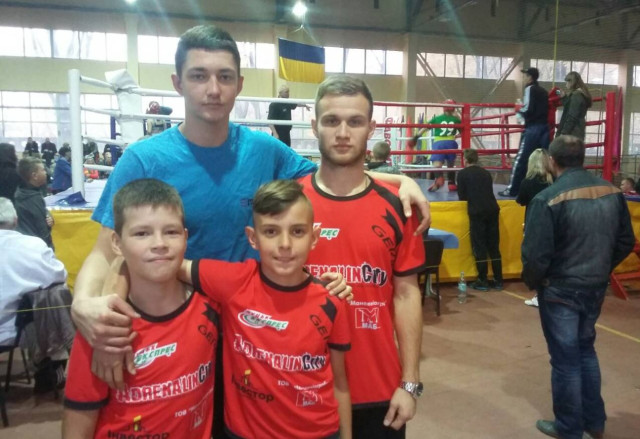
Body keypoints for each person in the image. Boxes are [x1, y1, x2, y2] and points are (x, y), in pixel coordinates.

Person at [69, 24, 428, 437]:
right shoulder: (143, 159)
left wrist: (400, 180)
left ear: (239, 84)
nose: (213, 89)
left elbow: (335, 172)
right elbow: (106, 250)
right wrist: (85, 304)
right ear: (177, 83)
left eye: (224, 77)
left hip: (254, 339)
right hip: (181, 335)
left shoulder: (264, 150)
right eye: (199, 76)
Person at [301, 75, 425, 439]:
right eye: (331, 121)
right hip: (304, 389)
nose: (343, 133)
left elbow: (407, 294)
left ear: (371, 128)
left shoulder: (399, 206)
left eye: (354, 122)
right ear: (314, 126)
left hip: (379, 390)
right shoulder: (291, 203)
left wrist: (410, 383)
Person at [179, 179, 351, 439]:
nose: (285, 244)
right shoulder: (234, 282)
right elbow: (167, 264)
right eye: (271, 231)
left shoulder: (332, 299)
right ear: (253, 238)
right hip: (243, 433)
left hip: (318, 432)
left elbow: (340, 383)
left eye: (297, 231)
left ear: (314, 237)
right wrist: (117, 284)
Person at [62, 179, 218, 439]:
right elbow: (78, 427)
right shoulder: (101, 330)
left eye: (171, 232)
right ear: (116, 243)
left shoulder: (211, 308)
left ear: (185, 237)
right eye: (141, 234)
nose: (159, 243)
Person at [521, 135, 634, 439]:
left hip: (560, 289)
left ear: (552, 161)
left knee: (565, 360)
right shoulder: (612, 192)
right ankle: (594, 422)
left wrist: (534, 282)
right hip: (594, 286)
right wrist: (602, 266)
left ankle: (569, 428)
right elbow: (626, 240)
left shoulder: (548, 199)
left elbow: (536, 255)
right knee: (585, 351)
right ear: (582, 157)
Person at [0, 197, 72, 394]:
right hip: (16, 332)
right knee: (54, 294)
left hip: (15, 329)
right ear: (15, 220)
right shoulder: (31, 245)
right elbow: (59, 275)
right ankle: (50, 366)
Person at [499, 67, 550, 197]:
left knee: (521, 159)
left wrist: (519, 110)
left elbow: (528, 108)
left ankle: (512, 189)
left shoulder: (530, 89)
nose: (524, 78)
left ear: (530, 77)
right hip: (545, 127)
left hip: (533, 128)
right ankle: (546, 189)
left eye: (526, 75)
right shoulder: (544, 91)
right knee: (543, 159)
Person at [457, 149, 503, 291]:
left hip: (477, 211)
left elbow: (462, 196)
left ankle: (482, 279)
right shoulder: (486, 173)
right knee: (494, 245)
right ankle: (498, 279)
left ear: (465, 159)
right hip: (492, 209)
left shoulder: (462, 174)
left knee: (479, 245)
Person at [516, 148, 553, 307]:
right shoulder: (553, 181)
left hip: (533, 223)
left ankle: (540, 294)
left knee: (535, 259)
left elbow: (521, 200)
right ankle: (550, 293)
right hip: (553, 223)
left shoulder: (528, 182)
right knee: (552, 259)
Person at [410, 99, 461, 192]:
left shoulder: (437, 118)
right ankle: (451, 183)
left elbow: (425, 128)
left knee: (437, 164)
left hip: (439, 143)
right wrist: (456, 134)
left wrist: (416, 137)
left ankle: (439, 178)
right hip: (451, 142)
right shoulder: (456, 120)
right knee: (450, 164)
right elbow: (465, 131)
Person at [15, 157, 54, 249]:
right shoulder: (31, 199)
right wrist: (48, 249)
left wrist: (48, 216)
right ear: (34, 176)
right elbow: (42, 230)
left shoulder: (25, 193)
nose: (46, 172)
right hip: (35, 249)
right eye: (43, 170)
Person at [556, 71, 592, 140]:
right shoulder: (580, 94)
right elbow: (572, 108)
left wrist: (564, 133)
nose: (566, 84)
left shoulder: (576, 95)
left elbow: (572, 116)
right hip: (577, 131)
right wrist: (564, 97)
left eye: (567, 82)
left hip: (572, 132)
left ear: (571, 82)